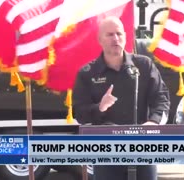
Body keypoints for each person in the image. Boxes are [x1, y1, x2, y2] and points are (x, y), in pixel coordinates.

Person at [72, 16, 170, 180]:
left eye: (119, 34)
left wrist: (152, 123)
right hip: (107, 153)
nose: (115, 39)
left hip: (143, 149)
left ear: (125, 36)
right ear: (99, 40)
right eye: (109, 35)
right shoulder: (87, 73)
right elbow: (79, 114)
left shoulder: (143, 66)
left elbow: (162, 100)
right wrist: (99, 108)